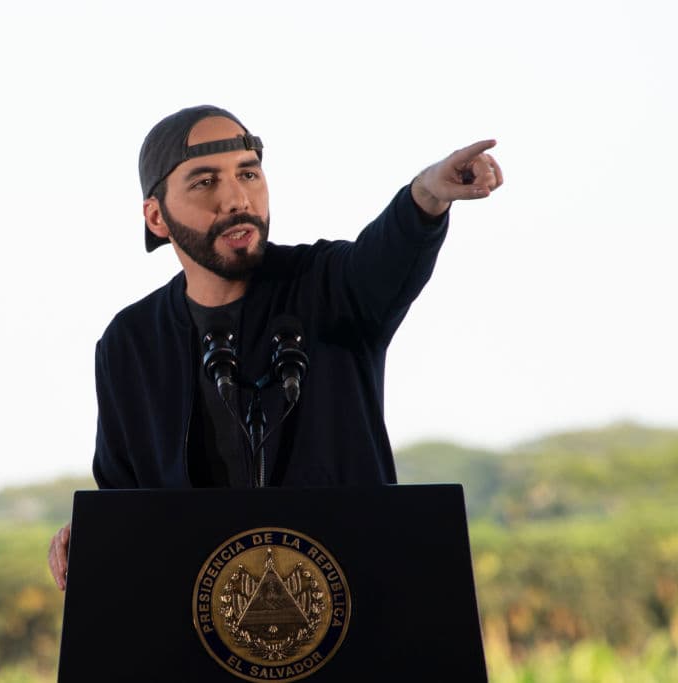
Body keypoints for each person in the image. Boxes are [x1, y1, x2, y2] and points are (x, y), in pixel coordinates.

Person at [47, 105, 503, 589]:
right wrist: (99, 535)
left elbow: (386, 256)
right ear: (156, 217)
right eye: (205, 182)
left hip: (351, 608)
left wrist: (428, 195)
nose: (237, 198)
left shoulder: (329, 288)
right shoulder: (130, 344)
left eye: (248, 173)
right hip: (206, 631)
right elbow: (125, 496)